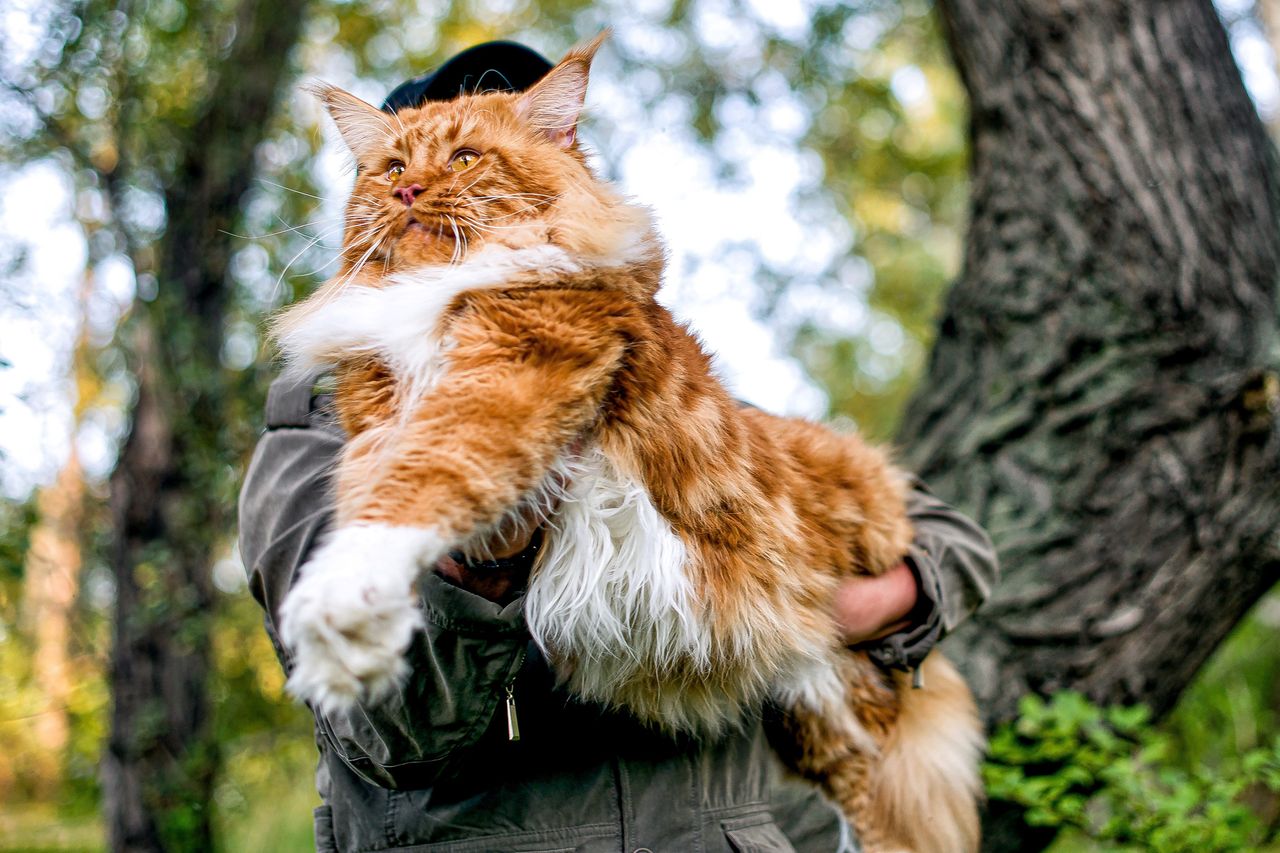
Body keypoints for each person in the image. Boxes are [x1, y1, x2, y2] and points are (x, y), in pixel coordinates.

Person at [238, 41, 999, 853]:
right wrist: (485, 566)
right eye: (401, 163)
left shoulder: (662, 384)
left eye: (473, 150)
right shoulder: (308, 436)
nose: (427, 180)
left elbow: (953, 541)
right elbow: (388, 730)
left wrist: (849, 607)